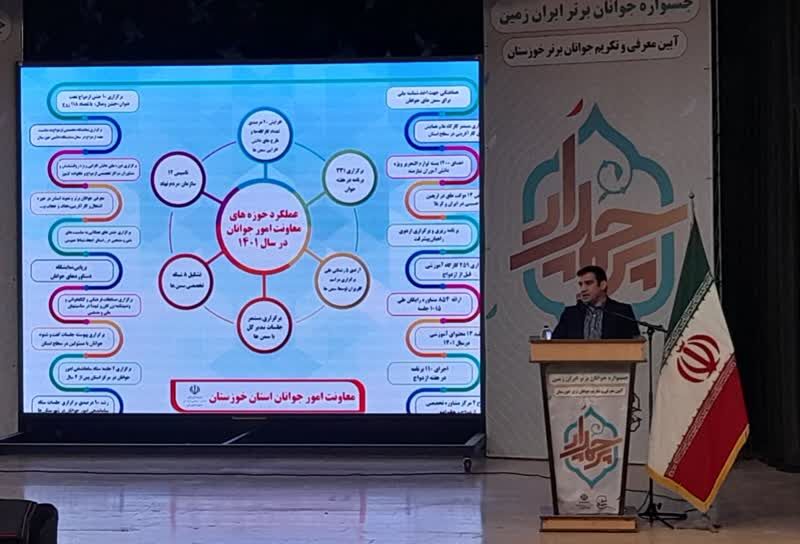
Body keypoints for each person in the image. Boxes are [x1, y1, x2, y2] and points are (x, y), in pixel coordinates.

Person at [551, 265, 640, 339]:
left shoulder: (622, 311)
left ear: (602, 285)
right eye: (581, 284)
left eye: (588, 283)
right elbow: (555, 344)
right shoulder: (570, 314)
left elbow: (634, 345)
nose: (583, 289)